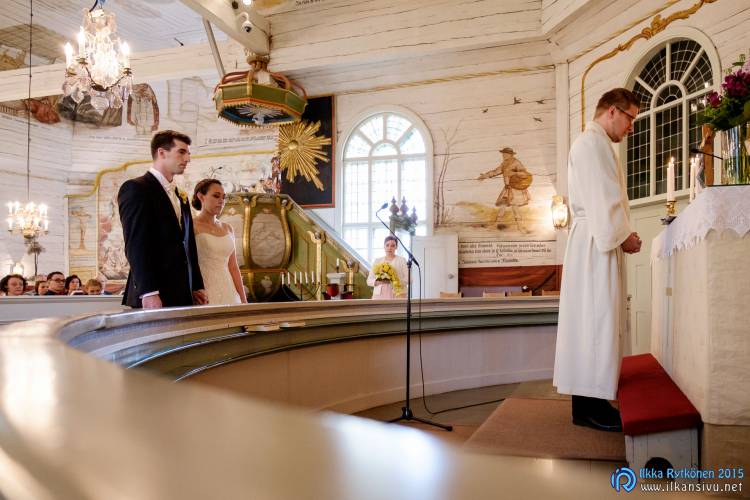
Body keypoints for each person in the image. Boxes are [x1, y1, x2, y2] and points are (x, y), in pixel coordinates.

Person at [553, 88, 643, 432]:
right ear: (612, 111)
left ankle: (592, 400)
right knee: (595, 320)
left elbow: (606, 198)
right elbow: (603, 199)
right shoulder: (591, 144)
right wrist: (624, 235)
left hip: (595, 241)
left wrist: (621, 233)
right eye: (630, 118)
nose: (631, 126)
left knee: (595, 320)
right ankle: (589, 405)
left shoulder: (597, 143)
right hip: (595, 244)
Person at [118, 130, 207, 309]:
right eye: (181, 152)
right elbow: (135, 244)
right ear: (161, 153)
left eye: (188, 153)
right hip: (154, 293)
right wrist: (148, 292)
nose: (188, 158)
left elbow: (189, 245)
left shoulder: (181, 196)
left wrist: (196, 285)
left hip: (183, 292)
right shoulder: (136, 188)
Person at [192, 178, 247, 305]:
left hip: (229, 291)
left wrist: (243, 300)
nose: (221, 201)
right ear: (201, 197)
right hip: (205, 291)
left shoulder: (228, 228)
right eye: (216, 196)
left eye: (223, 197)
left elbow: (233, 267)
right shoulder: (191, 226)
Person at [478, 147, 532, 233]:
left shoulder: (516, 162)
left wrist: (514, 173)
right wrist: (485, 175)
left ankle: (520, 227)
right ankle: (495, 225)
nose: (503, 155)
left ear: (510, 155)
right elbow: (496, 171)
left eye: (505, 154)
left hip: (516, 189)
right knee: (503, 206)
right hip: (507, 188)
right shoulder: (504, 163)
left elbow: (525, 174)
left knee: (515, 207)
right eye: (503, 154)